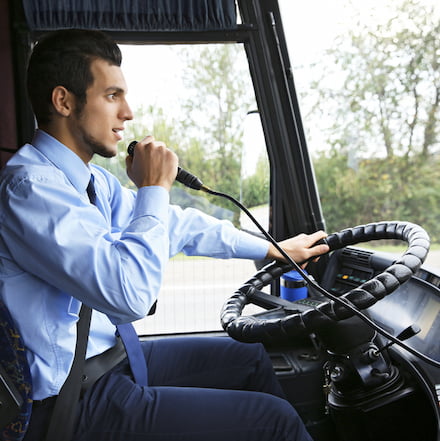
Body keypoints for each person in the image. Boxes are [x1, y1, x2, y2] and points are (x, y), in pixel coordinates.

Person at [0, 29, 329, 441]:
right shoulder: (30, 190)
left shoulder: (92, 183)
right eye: (112, 96)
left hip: (114, 359)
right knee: (274, 421)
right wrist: (153, 188)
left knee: (247, 358)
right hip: (74, 402)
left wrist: (272, 249)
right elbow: (131, 295)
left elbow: (175, 224)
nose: (128, 113)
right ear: (64, 101)